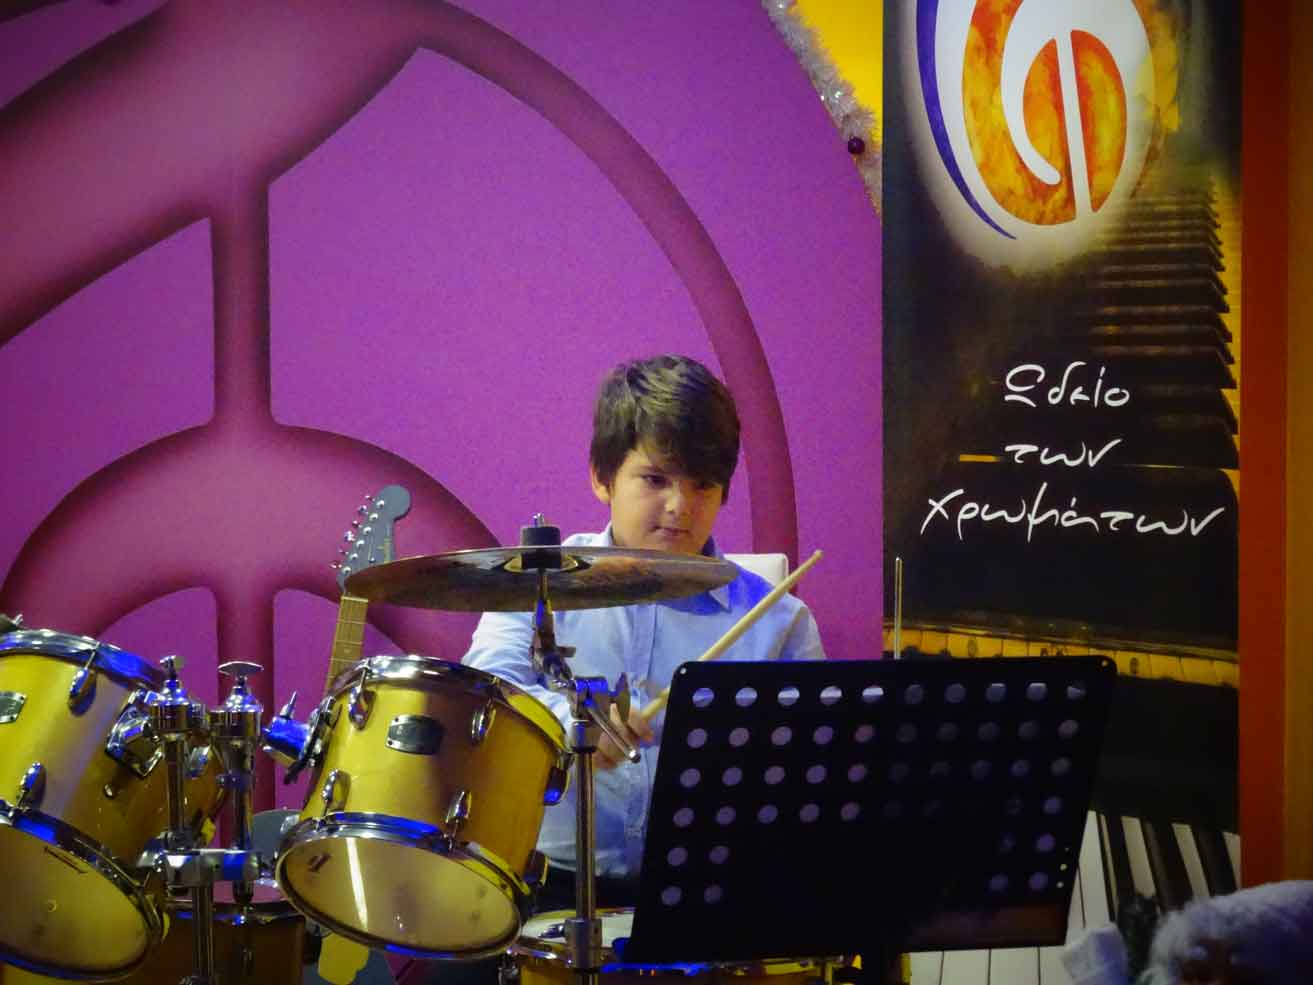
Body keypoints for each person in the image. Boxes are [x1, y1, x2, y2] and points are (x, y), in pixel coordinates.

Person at [464, 353, 825, 908]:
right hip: (545, 889)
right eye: (655, 479)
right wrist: (573, 725)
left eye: (703, 484)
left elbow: (810, 773)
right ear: (602, 477)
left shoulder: (780, 622)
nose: (680, 506)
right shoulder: (533, 587)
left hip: (712, 896)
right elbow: (487, 695)